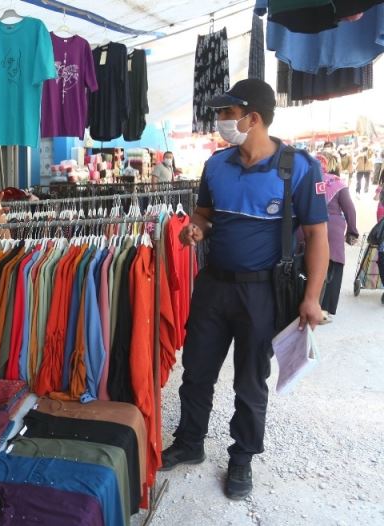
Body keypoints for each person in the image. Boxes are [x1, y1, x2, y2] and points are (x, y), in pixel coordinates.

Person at [160, 79, 329, 500]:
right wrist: (195, 230)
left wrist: (312, 299)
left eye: (227, 114)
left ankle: (242, 457)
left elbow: (318, 236)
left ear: (253, 118)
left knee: (250, 381)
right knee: (196, 371)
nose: (220, 121)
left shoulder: (298, 168)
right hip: (213, 286)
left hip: (262, 292)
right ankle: (190, 442)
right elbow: (203, 215)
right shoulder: (216, 165)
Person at [313, 155, 358, 321]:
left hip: (309, 228)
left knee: (310, 264)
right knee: (333, 265)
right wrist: (352, 231)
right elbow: (349, 209)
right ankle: (324, 308)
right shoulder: (337, 183)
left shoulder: (307, 181)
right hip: (332, 231)